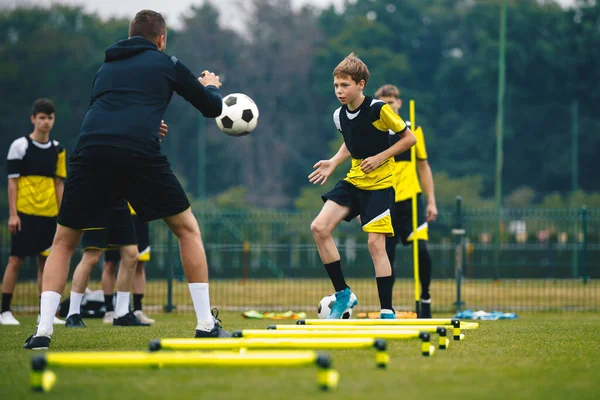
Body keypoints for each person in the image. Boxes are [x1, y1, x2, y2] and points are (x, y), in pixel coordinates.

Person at [25, 9, 229, 350]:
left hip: (91, 149)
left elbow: (109, 109)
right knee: (186, 229)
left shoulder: (106, 67)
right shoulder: (168, 63)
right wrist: (211, 86)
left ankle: (43, 332)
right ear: (161, 39)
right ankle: (206, 324)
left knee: (63, 242)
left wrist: (149, 123)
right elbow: (211, 108)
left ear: (129, 35)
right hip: (136, 152)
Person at [309, 53, 416, 320]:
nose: (339, 91)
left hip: (380, 185)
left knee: (375, 245)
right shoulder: (339, 115)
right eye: (336, 85)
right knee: (319, 228)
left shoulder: (379, 109)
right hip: (354, 181)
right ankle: (343, 294)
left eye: (345, 85)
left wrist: (380, 157)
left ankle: (387, 311)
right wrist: (334, 161)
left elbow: (409, 138)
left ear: (361, 84)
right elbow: (351, 140)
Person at [375, 84, 438, 318]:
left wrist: (431, 201)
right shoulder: (375, 131)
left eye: (392, 102)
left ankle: (425, 295)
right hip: (384, 199)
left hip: (411, 200)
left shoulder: (413, 130)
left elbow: (424, 166)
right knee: (386, 255)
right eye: (384, 102)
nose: (389, 105)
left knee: (422, 250)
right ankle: (387, 307)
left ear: (399, 103)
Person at [1, 99, 66, 326]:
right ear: (33, 119)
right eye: (42, 117)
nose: (46, 122)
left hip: (49, 215)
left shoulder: (58, 149)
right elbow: (12, 183)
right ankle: (4, 311)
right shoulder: (19, 146)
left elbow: (59, 183)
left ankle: (44, 314)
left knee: (45, 264)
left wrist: (62, 215)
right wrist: (13, 214)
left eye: (49, 117)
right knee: (16, 260)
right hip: (25, 213)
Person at [101, 202, 155, 325]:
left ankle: (137, 310)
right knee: (110, 264)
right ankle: (109, 311)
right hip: (116, 213)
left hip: (139, 215)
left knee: (139, 264)